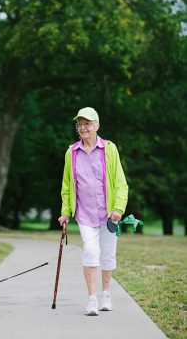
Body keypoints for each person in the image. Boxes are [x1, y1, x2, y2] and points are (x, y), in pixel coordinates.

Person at [58, 107, 128, 316]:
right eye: (79, 124)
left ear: (97, 125)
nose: (82, 128)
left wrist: (118, 208)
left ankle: (106, 294)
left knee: (108, 255)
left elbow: (121, 182)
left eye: (87, 124)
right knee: (91, 252)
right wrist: (65, 212)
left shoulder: (109, 149)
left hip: (108, 216)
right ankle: (91, 298)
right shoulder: (71, 152)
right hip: (85, 215)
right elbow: (67, 186)